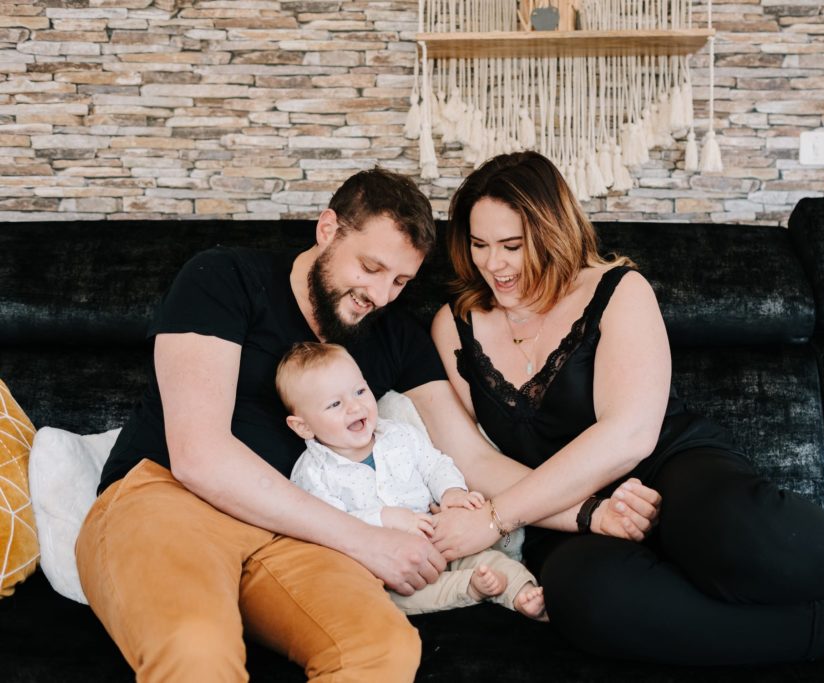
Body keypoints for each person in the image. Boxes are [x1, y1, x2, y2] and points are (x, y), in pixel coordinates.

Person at [426, 151, 824, 680]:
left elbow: (628, 434)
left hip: (666, 464)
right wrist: (585, 514)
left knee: (739, 531)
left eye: (512, 246)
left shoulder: (616, 288)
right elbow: (482, 459)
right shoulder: (454, 325)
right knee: (594, 604)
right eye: (479, 246)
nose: (495, 267)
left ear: (552, 232)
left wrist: (496, 518)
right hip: (562, 515)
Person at [75, 166, 653, 681]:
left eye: (400, 282)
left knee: (381, 650)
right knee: (195, 649)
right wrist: (365, 541)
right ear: (328, 229)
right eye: (370, 267)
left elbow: (471, 461)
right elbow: (199, 455)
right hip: (171, 499)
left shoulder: (396, 337)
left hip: (296, 534)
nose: (378, 294)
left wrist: (588, 512)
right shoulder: (224, 278)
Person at [277, 341, 546, 619]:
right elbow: (328, 525)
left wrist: (451, 492)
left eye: (360, 391)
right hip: (383, 569)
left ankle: (521, 591)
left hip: (436, 537)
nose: (355, 406)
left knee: (487, 560)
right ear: (303, 426)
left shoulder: (399, 435)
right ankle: (470, 588)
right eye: (335, 404)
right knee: (392, 598)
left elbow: (435, 465)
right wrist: (387, 518)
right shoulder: (312, 474)